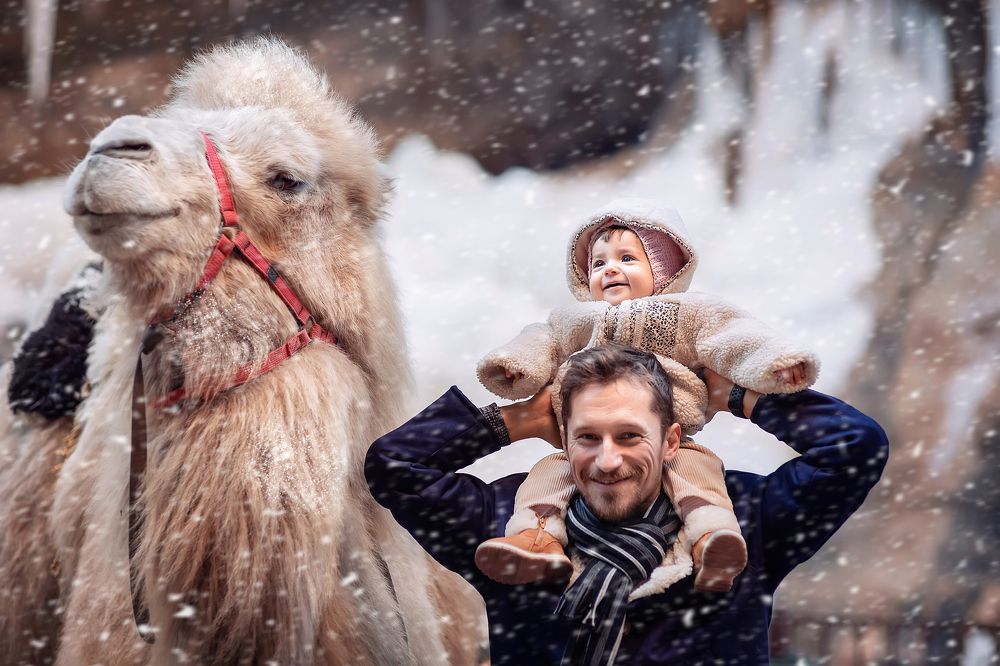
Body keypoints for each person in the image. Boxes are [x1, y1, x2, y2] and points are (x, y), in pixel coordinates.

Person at [365, 343, 888, 665]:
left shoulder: (742, 517)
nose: (607, 461)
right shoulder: (513, 525)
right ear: (562, 440)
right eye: (588, 437)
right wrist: (517, 420)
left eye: (629, 436)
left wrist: (737, 397)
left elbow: (856, 448)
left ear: (671, 441)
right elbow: (395, 466)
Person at [474, 199, 818, 591]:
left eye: (627, 258)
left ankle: (711, 540)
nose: (610, 269)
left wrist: (771, 366)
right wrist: (514, 370)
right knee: (548, 474)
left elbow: (733, 336)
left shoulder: (686, 313)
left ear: (664, 270)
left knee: (698, 473)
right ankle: (538, 541)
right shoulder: (573, 319)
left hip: (671, 423)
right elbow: (541, 341)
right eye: (598, 264)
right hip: (577, 440)